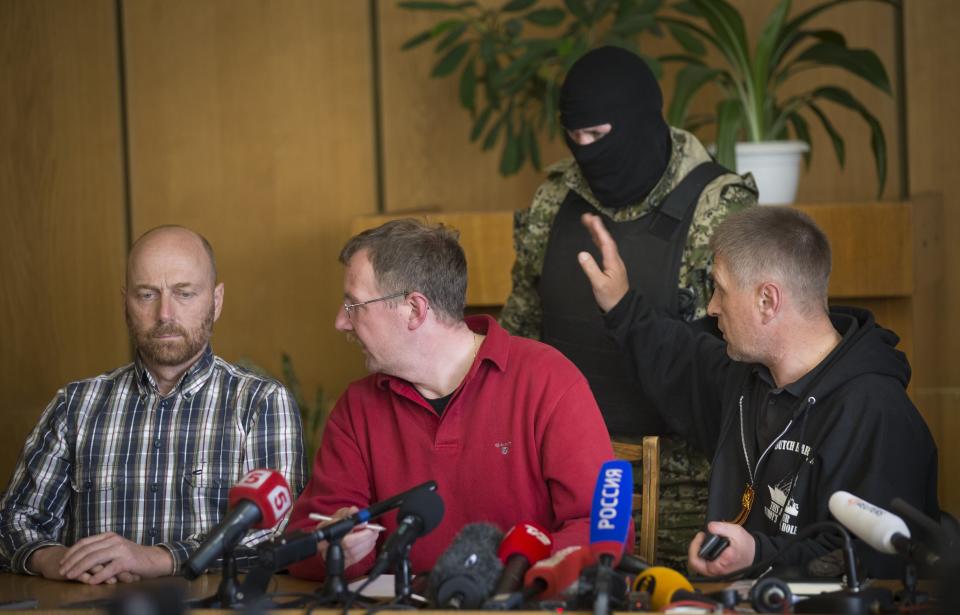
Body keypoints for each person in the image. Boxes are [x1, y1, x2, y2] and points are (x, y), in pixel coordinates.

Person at [577, 207, 939, 578]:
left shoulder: (876, 412)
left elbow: (873, 563)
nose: (712, 307)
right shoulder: (746, 377)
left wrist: (757, 554)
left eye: (719, 288)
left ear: (767, 300)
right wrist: (620, 305)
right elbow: (679, 357)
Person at [500, 45, 757, 567]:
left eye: (599, 136)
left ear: (640, 121)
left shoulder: (717, 205)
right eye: (575, 138)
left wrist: (625, 305)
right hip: (563, 478)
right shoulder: (554, 201)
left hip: (685, 490)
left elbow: (731, 371)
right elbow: (522, 331)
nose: (586, 151)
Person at [285, 219, 617, 580]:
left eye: (353, 306)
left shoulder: (548, 380)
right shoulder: (357, 407)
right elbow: (301, 542)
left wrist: (512, 581)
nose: (340, 323)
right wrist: (333, 550)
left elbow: (601, 528)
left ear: (414, 309)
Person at [0, 226, 306, 584]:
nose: (164, 313)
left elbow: (276, 534)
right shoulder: (75, 406)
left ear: (216, 300)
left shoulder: (262, 403)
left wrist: (159, 558)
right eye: (147, 294)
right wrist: (49, 557)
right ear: (124, 301)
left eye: (185, 293)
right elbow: (14, 520)